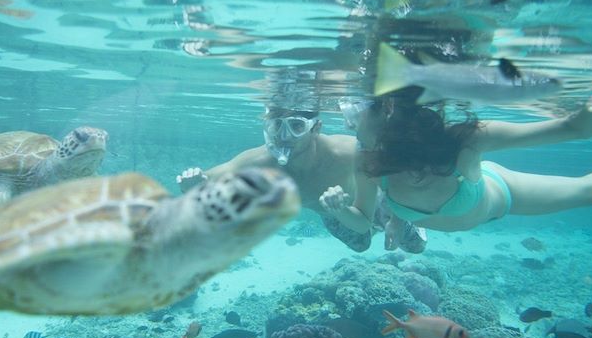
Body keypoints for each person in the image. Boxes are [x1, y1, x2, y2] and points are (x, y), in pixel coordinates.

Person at [319, 90, 592, 237]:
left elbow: (576, 128)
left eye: (351, 111)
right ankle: (400, 224)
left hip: (499, 194)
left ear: (386, 107)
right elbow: (362, 220)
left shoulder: (466, 140)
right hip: (445, 210)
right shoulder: (367, 158)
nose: (347, 124)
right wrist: (339, 211)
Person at [177, 106, 427, 253]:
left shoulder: (347, 151)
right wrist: (193, 185)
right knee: (361, 245)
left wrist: (397, 217)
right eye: (276, 127)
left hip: (372, 198)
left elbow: (396, 172)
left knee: (415, 246)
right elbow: (207, 180)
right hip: (335, 213)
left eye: (296, 126)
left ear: (315, 128)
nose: (284, 136)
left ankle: (392, 223)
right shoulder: (258, 161)